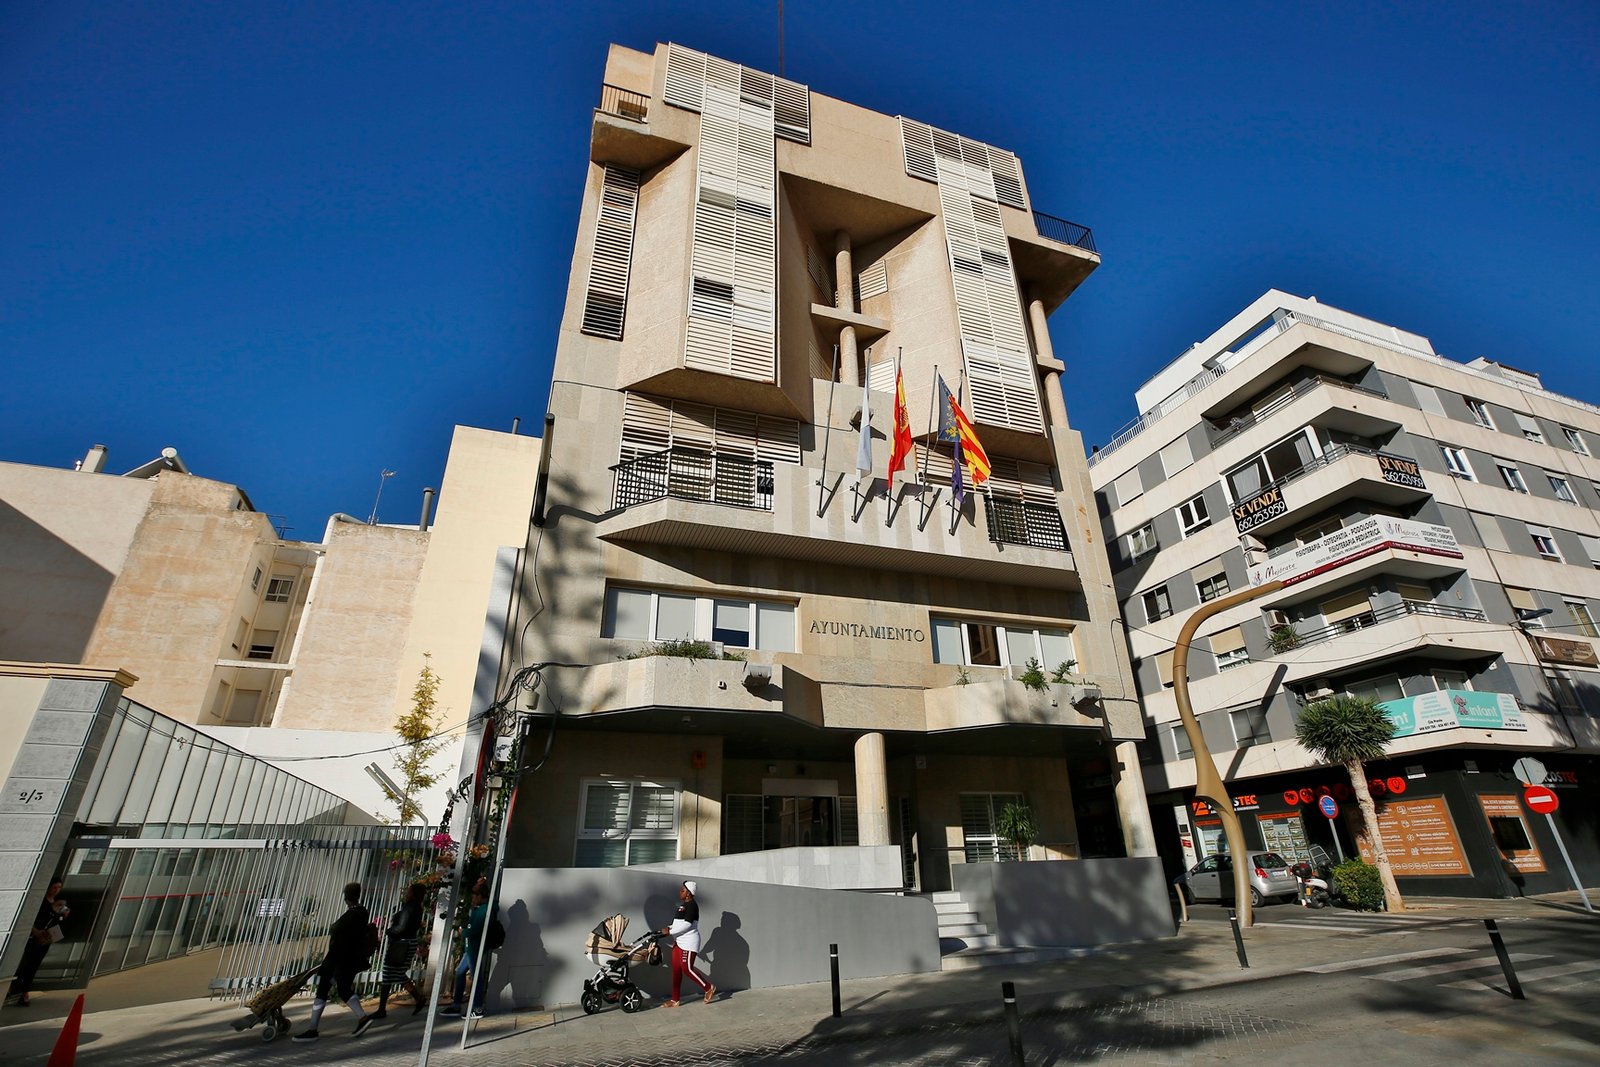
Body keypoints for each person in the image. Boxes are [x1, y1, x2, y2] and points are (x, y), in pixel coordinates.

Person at [294, 881, 375, 1041]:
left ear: (345, 897)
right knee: (334, 989)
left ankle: (361, 1018)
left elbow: (340, 941)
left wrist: (329, 963)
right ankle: (314, 1028)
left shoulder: (351, 916)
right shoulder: (361, 913)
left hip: (339, 961)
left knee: (336, 990)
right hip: (346, 960)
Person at [8, 879, 68, 1006]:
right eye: (54, 887)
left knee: (34, 965)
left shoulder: (58, 903)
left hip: (47, 938)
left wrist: (62, 915)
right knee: (26, 964)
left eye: (59, 888)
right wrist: (35, 931)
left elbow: (59, 921)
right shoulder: (42, 902)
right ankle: (13, 988)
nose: (56, 890)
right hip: (34, 936)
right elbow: (30, 917)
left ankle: (24, 992)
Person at [659, 880, 715, 1007]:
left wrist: (670, 931)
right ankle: (675, 1000)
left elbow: (687, 924)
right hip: (679, 942)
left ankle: (708, 987)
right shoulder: (682, 905)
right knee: (676, 970)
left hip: (689, 942)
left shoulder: (692, 906)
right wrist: (667, 928)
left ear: (689, 893)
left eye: (683, 890)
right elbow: (677, 924)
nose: (680, 892)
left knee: (687, 968)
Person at [374, 882, 427, 1018]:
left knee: (388, 972)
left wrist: (388, 931)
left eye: (408, 891)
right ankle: (418, 998)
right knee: (397, 973)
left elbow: (401, 927)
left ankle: (381, 1009)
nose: (406, 893)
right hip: (408, 943)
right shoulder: (416, 907)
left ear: (413, 894)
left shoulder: (409, 908)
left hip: (402, 944)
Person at [441, 880, 489, 1017]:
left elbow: (478, 930)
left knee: (475, 976)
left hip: (475, 947)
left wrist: (465, 933)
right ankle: (456, 1005)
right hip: (470, 948)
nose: (472, 897)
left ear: (480, 896)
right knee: (460, 972)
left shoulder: (483, 910)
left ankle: (477, 1007)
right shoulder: (477, 909)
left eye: (474, 895)